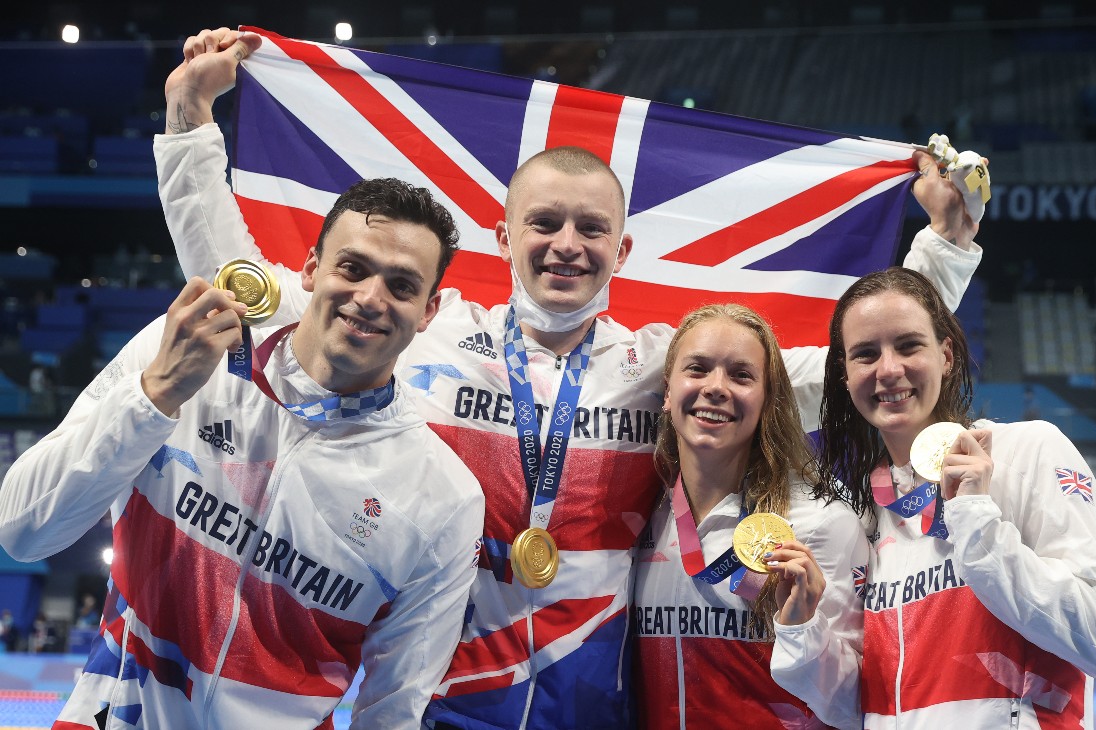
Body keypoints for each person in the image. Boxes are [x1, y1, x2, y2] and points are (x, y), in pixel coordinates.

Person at [156, 27, 986, 729]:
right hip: (436, 703)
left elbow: (846, 372)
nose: (567, 243)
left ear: (621, 251)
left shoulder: (657, 364)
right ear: (502, 234)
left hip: (595, 707)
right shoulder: (424, 331)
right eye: (544, 222)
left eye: (592, 227)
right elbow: (246, 297)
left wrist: (940, 252)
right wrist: (191, 121)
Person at [0, 170, 485, 727]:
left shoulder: (444, 496)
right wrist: (155, 396)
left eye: (402, 285)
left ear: (429, 311)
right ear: (310, 269)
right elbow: (23, 531)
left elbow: (394, 708)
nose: (371, 298)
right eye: (352, 268)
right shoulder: (183, 355)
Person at [772, 267, 1096, 728]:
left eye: (908, 345)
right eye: (866, 354)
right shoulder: (866, 512)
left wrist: (976, 521)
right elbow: (864, 707)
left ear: (946, 355)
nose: (888, 369)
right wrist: (804, 632)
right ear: (844, 375)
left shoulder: (1026, 451)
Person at [632, 304, 865, 729]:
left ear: (768, 400)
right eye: (698, 369)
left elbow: (862, 704)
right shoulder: (642, 515)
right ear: (667, 391)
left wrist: (805, 629)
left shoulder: (820, 522)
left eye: (741, 375)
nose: (716, 387)